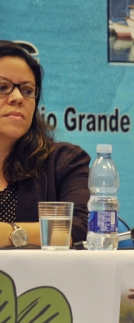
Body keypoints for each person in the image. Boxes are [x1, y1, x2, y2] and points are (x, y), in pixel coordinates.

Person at [0, 40, 90, 247]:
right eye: (3, 87)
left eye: (27, 90)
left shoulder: (64, 162)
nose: (17, 97)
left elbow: (80, 229)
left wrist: (8, 232)